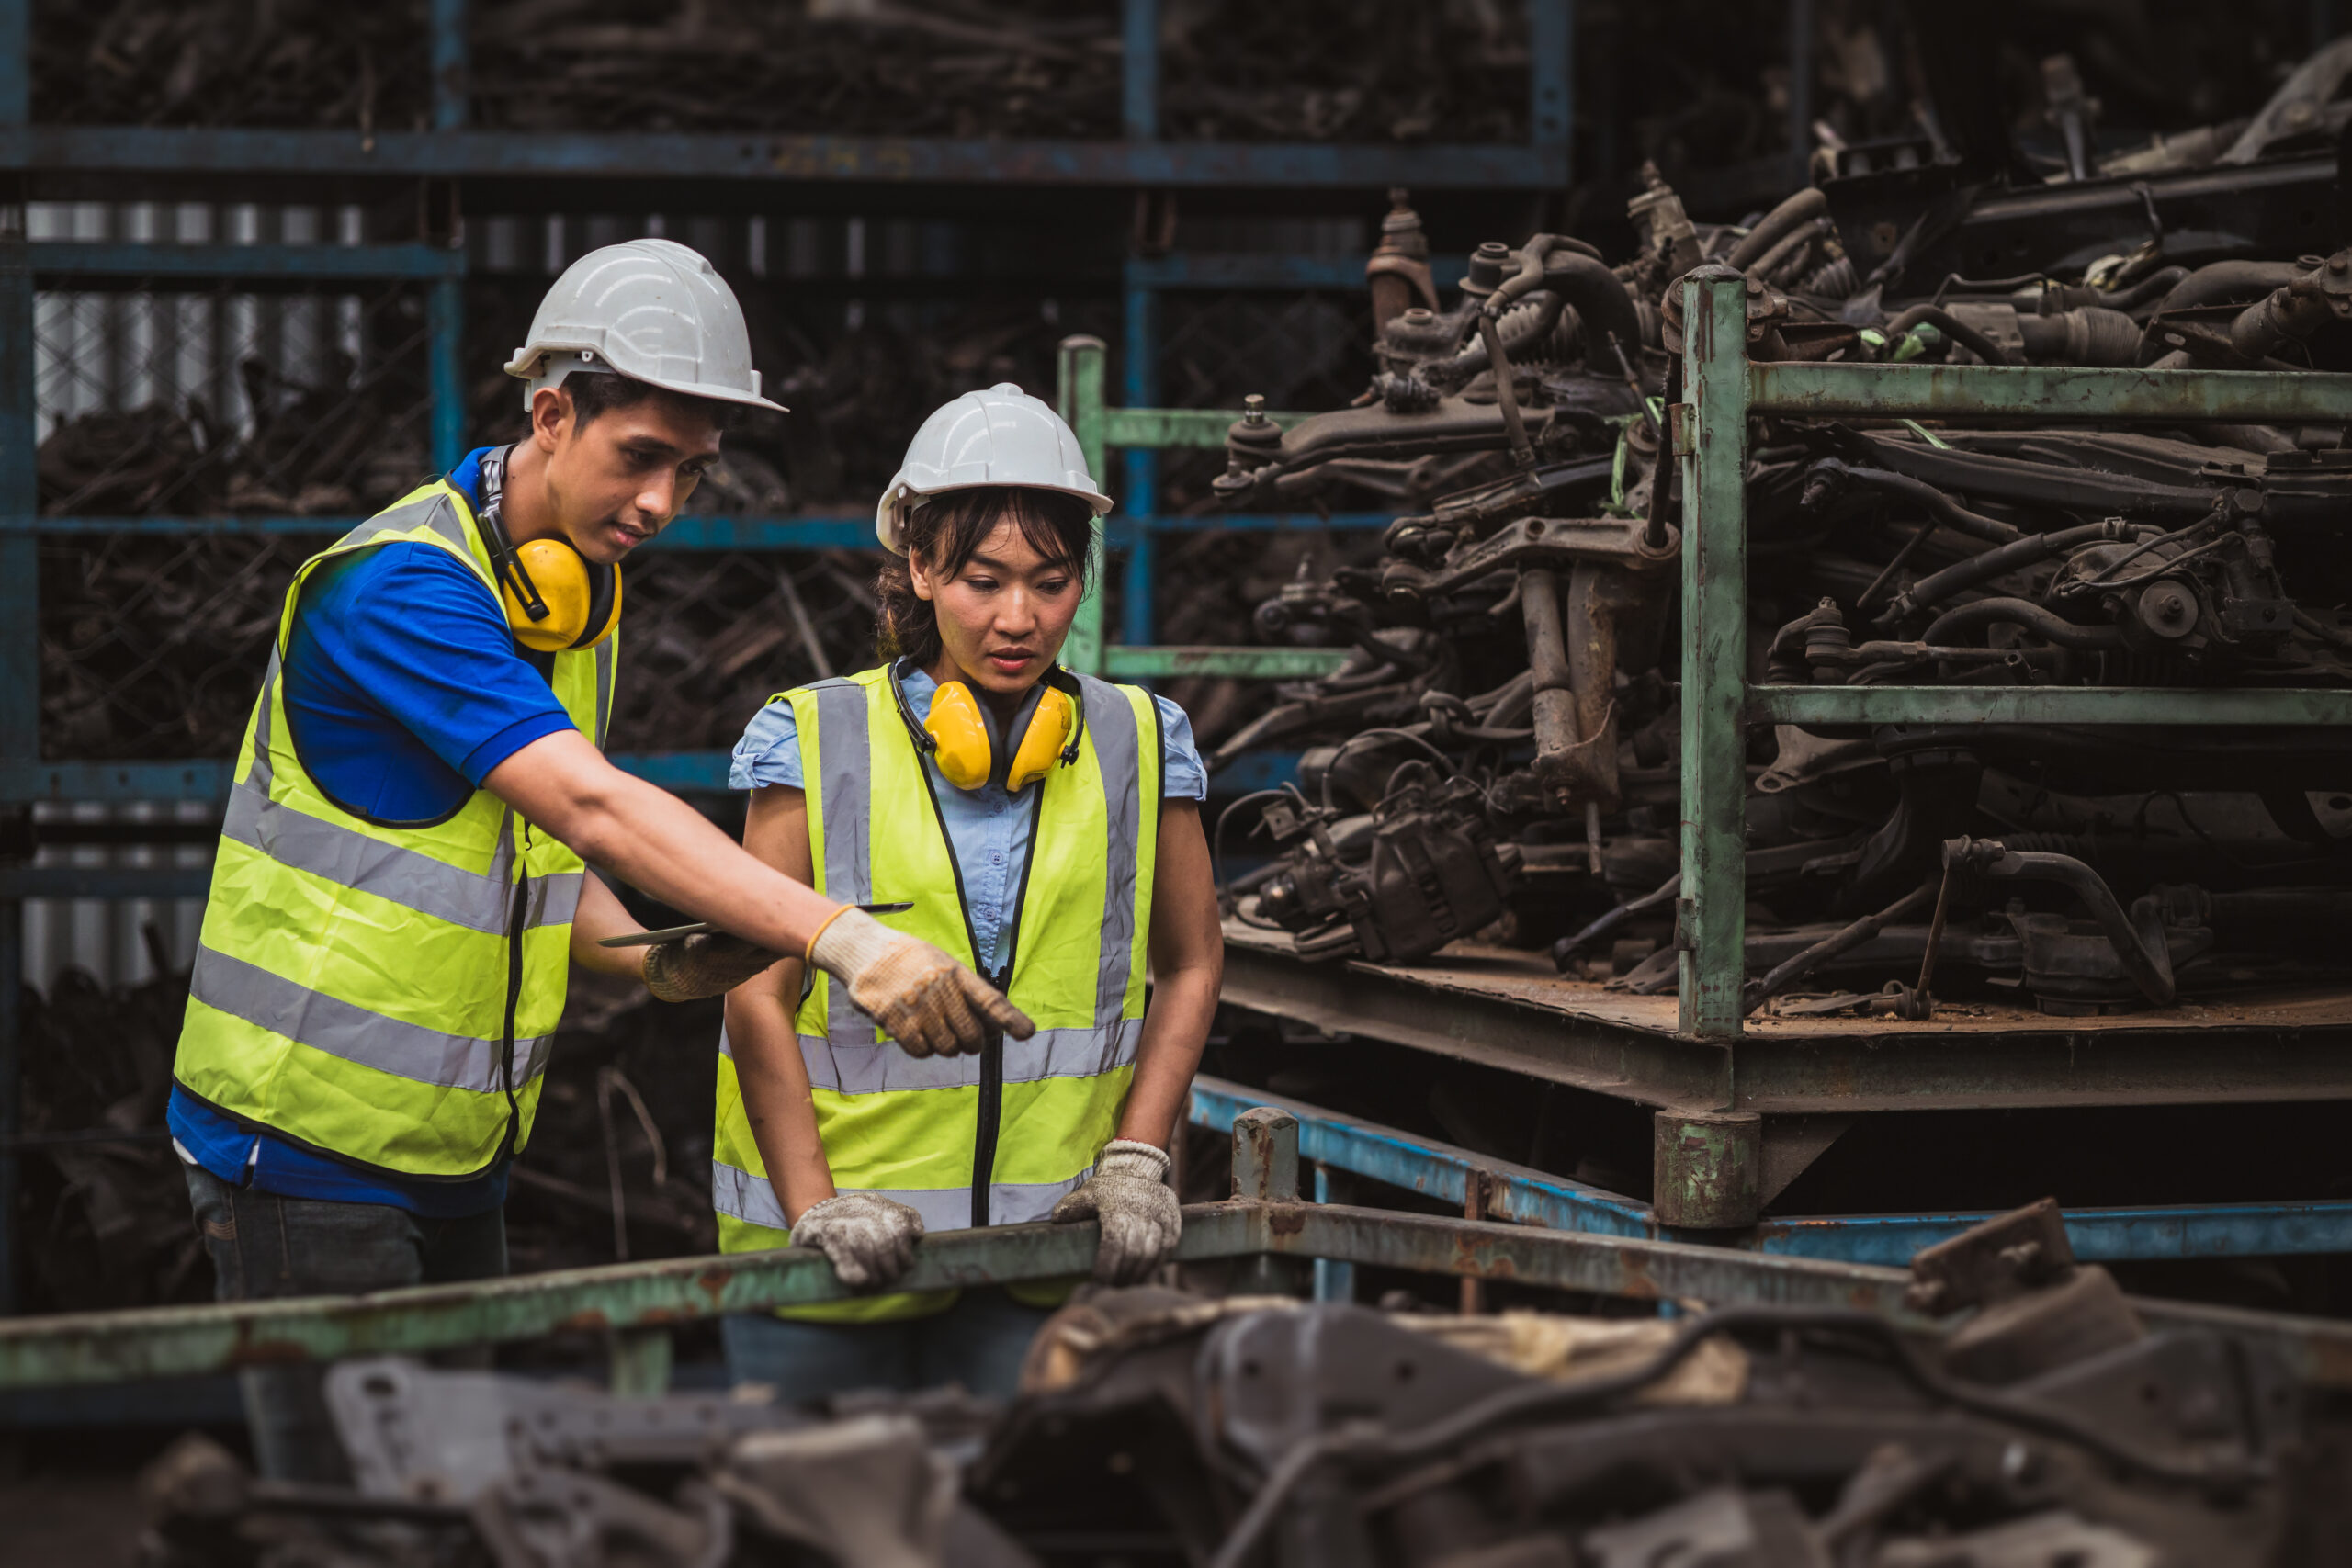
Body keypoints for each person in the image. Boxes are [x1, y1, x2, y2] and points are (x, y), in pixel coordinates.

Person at [168, 240, 1028, 1482]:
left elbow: (519, 864)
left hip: (451, 1151)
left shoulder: (569, 595)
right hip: (303, 1153)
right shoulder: (403, 591)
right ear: (552, 413)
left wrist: (656, 956)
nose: (666, 503)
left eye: (694, 468)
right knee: (360, 1520)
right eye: (642, 457)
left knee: (466, 1501)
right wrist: (841, 936)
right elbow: (588, 806)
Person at [712, 384, 1225, 1401]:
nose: (1018, 619)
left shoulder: (1140, 739)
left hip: (1039, 1263)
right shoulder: (814, 738)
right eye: (982, 580)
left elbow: (1192, 961)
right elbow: (752, 991)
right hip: (822, 1270)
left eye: (1049, 580)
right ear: (918, 567)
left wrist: (1136, 1158)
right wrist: (817, 1209)